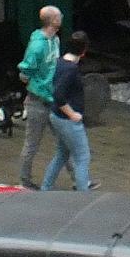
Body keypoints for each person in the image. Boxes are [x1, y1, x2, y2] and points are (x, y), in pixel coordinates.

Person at [41, 30, 95, 191]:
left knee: (62, 154)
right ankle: (82, 197)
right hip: (68, 121)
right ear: (84, 51)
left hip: (56, 117)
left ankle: (46, 187)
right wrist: (72, 114)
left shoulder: (59, 62)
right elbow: (58, 95)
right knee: (82, 157)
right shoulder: (71, 70)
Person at [15, 5, 62, 189]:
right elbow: (25, 70)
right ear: (53, 21)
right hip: (38, 102)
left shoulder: (55, 40)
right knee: (31, 144)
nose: (61, 17)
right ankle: (24, 181)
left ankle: (80, 180)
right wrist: (37, 86)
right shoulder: (37, 45)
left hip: (52, 99)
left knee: (64, 142)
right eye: (58, 15)